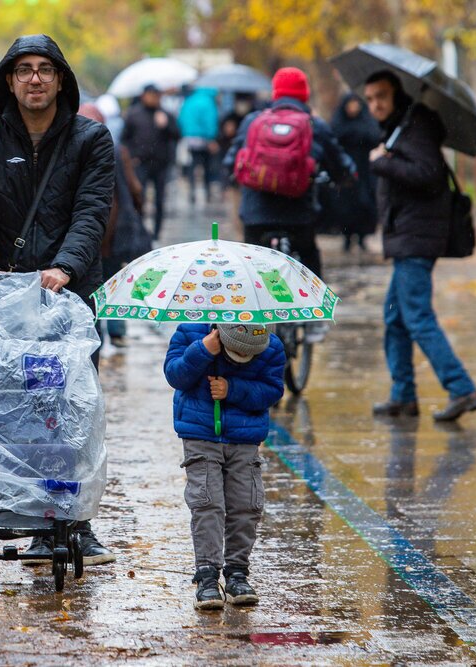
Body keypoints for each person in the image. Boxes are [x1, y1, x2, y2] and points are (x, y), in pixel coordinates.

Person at [0, 34, 116, 565]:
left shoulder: (91, 139)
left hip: (65, 302)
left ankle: (68, 520)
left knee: (64, 409)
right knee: (0, 408)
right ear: (9, 80)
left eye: (45, 69)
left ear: (60, 79)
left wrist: (64, 268)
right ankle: (2, 503)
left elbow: (92, 211)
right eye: (24, 70)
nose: (35, 78)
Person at [363, 70, 476, 422]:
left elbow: (428, 174)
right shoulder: (402, 125)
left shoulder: (416, 125)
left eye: (381, 96)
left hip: (416, 237)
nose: (375, 105)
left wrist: (383, 162)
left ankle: (461, 388)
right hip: (408, 235)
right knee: (395, 317)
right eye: (369, 99)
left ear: (396, 94)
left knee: (416, 316)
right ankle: (403, 395)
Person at [225, 67, 354, 342]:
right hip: (298, 212)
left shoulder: (252, 121)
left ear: (275, 93)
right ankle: (314, 317)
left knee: (252, 267)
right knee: (308, 256)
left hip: (256, 213)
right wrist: (345, 177)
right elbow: (341, 164)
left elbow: (231, 162)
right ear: (304, 94)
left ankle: (249, 320)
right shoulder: (313, 125)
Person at [164, 323, 286, 609]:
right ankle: (207, 574)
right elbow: (175, 375)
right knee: (207, 502)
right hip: (200, 433)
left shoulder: (272, 346)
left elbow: (272, 390)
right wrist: (203, 351)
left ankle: (237, 572)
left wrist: (232, 389)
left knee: (246, 503)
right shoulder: (189, 332)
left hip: (245, 437)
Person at [79, 102, 148, 350]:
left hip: (84, 233)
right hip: (114, 229)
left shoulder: (72, 149)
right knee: (115, 281)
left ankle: (94, 333)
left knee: (89, 285)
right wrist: (137, 212)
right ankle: (117, 331)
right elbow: (135, 189)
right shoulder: (117, 149)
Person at [121, 84, 180, 239]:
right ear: (144, 96)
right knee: (140, 197)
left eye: (157, 95)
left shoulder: (165, 114)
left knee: (160, 199)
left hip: (161, 163)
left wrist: (165, 125)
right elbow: (124, 139)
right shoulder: (134, 114)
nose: (154, 98)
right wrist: (132, 156)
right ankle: (139, 231)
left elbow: (177, 135)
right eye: (151, 95)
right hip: (141, 163)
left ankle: (157, 232)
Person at [329, 93, 381, 252]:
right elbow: (333, 138)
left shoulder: (367, 122)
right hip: (344, 173)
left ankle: (362, 236)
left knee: (364, 204)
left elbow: (374, 136)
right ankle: (346, 236)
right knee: (345, 207)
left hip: (364, 172)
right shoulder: (339, 122)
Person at [178, 87, 220, 205]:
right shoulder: (208, 102)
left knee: (193, 165)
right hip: (204, 138)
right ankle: (207, 192)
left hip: (190, 138)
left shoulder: (189, 100)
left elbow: (181, 119)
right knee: (207, 166)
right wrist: (211, 137)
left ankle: (192, 191)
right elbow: (210, 121)